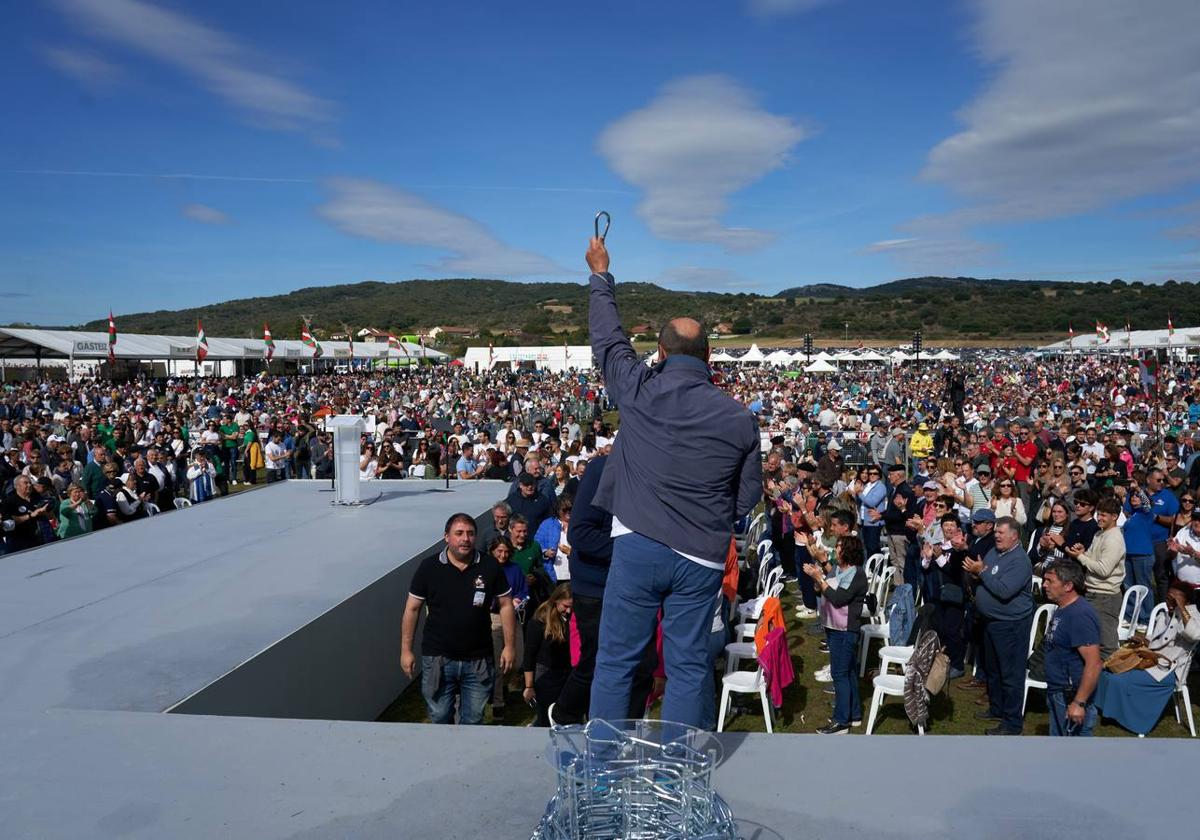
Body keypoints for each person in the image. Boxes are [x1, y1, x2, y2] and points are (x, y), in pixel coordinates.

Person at [585, 235, 761, 729]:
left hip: (637, 545)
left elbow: (608, 339)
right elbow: (748, 495)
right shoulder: (739, 417)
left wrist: (601, 273)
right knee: (687, 667)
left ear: (660, 352)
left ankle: (601, 770)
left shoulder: (639, 387)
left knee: (617, 662)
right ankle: (676, 772)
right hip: (700, 555)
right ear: (709, 356)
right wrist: (708, 520)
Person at [400, 513, 518, 725]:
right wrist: (406, 651)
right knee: (439, 716)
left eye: (470, 534)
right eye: (459, 533)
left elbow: (506, 604)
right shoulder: (429, 568)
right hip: (438, 659)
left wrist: (509, 646)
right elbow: (412, 609)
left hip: (478, 660)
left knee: (473, 720)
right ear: (446, 537)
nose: (465, 539)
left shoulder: (490, 566)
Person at [1095, 580, 1200, 735]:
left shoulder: (1194, 616)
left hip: (1169, 671)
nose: (1169, 601)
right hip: (1151, 661)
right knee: (1108, 671)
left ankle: (1132, 721)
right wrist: (1144, 640)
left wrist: (1181, 608)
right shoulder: (1165, 613)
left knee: (1120, 680)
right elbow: (1157, 638)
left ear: (1187, 600)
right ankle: (1107, 711)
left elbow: (1194, 634)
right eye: (1169, 597)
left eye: (1175, 598)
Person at [963, 515, 1033, 735]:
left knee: (1011, 674)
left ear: (1014, 536)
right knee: (993, 669)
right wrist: (976, 575)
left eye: (1000, 533)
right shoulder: (995, 551)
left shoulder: (1020, 561)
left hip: (1010, 624)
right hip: (991, 621)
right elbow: (987, 575)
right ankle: (997, 708)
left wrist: (981, 572)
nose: (996, 536)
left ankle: (1012, 723)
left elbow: (1004, 591)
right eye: (995, 533)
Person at [803, 535, 868, 734]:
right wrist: (819, 578)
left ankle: (841, 721)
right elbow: (825, 588)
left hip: (845, 630)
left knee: (839, 674)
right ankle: (854, 714)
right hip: (834, 627)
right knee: (847, 672)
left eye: (838, 547)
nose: (835, 550)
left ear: (848, 551)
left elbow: (838, 598)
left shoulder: (857, 574)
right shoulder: (840, 569)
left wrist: (819, 579)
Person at [1041, 560, 1102, 736]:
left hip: (1070, 697)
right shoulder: (1063, 608)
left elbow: (1094, 663)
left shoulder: (1080, 615)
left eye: (1050, 581)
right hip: (1058, 692)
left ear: (1068, 586)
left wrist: (1079, 702)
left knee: (1075, 756)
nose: (1044, 585)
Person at [1065, 496, 1126, 658]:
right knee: (1086, 639)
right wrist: (1082, 551)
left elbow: (1104, 570)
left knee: (1107, 646)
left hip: (1105, 597)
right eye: (1099, 514)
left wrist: (1080, 557)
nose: (1099, 517)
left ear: (1115, 517)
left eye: (1104, 515)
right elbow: (1092, 559)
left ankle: (1110, 681)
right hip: (1092, 592)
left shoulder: (1114, 539)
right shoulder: (1100, 534)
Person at [523, 583, 574, 726]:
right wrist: (529, 686)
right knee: (546, 717)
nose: (569, 611)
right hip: (546, 672)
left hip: (568, 671)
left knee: (568, 717)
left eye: (571, 607)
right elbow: (529, 654)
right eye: (565, 606)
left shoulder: (572, 620)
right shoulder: (539, 622)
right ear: (556, 601)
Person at [487, 535, 528, 715]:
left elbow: (524, 590)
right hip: (494, 618)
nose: (503, 555)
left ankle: (501, 685)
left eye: (505, 552)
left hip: (514, 618)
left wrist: (518, 600)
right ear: (492, 552)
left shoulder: (515, 569)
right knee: (496, 661)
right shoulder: (486, 570)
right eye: (499, 552)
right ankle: (498, 703)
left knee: (516, 660)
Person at [2, 475, 51, 553]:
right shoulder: (10, 502)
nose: (29, 485)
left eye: (30, 483)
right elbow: (9, 521)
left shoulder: (38, 498)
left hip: (41, 540)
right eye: (26, 483)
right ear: (17, 486)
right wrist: (30, 515)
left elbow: (50, 516)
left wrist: (46, 513)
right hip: (20, 544)